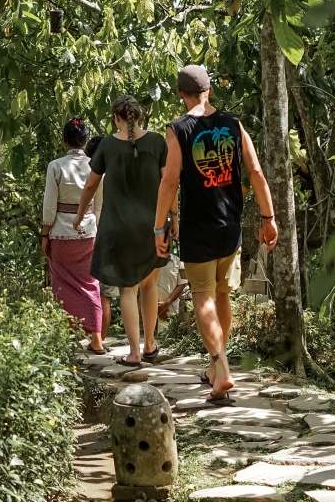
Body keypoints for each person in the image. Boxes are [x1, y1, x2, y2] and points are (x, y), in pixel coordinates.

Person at [153, 65, 278, 405]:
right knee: (222, 295)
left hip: (198, 229)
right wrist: (268, 217)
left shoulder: (178, 129)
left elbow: (169, 181)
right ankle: (215, 367)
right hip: (230, 227)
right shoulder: (234, 125)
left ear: (181, 94)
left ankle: (220, 367)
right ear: (209, 91)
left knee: (203, 298)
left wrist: (159, 227)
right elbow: (255, 172)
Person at [74, 95, 171, 367]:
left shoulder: (106, 145)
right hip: (152, 227)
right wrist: (174, 216)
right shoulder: (157, 142)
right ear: (139, 116)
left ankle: (134, 353)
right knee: (149, 286)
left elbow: (91, 186)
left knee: (128, 289)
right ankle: (150, 344)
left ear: (116, 117)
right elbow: (169, 183)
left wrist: (81, 215)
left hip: (118, 229)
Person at [41, 117, 105, 354]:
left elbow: (49, 206)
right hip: (89, 233)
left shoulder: (55, 166)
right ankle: (97, 339)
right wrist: (92, 227)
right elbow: (99, 205)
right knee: (91, 284)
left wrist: (44, 234)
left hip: (61, 233)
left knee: (61, 285)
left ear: (64, 140)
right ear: (85, 139)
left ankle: (66, 337)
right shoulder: (96, 165)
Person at [84, 135, 118, 341]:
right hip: (114, 237)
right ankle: (101, 340)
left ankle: (95, 339)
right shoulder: (114, 175)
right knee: (105, 294)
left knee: (92, 290)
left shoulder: (94, 177)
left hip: (95, 237)